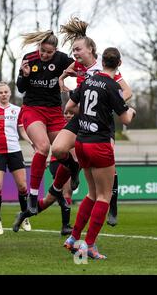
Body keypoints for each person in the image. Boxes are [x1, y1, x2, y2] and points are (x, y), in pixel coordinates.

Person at [52, 17, 133, 227]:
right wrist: (62, 80)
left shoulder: (103, 66)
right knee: (58, 149)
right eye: (73, 50)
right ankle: (73, 168)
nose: (75, 54)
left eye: (78, 49)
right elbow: (68, 85)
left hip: (102, 122)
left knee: (110, 168)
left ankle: (112, 206)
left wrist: (107, 103)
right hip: (81, 118)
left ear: (91, 50)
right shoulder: (77, 67)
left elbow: (128, 92)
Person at [63, 47, 135, 259]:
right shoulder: (113, 86)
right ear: (119, 64)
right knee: (104, 196)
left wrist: (88, 113)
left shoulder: (87, 80)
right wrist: (131, 110)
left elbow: (69, 106)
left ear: (102, 61)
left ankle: (73, 238)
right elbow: (125, 119)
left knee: (92, 193)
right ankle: (90, 245)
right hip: (99, 144)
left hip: (81, 143)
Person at [15, 30, 74, 217]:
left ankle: (72, 171)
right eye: (42, 50)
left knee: (69, 150)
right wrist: (24, 75)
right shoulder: (29, 59)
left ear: (55, 50)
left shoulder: (62, 59)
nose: (44, 55)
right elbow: (20, 88)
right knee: (43, 148)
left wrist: (68, 78)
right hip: (33, 109)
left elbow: (81, 66)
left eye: (49, 52)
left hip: (55, 112)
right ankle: (33, 197)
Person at [0, 82, 32, 235]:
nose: (3, 94)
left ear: (10, 93)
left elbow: (22, 130)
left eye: (6, 92)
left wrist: (31, 141)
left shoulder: (17, 110)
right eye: (1, 92)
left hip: (15, 151)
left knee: (22, 186)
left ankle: (24, 217)